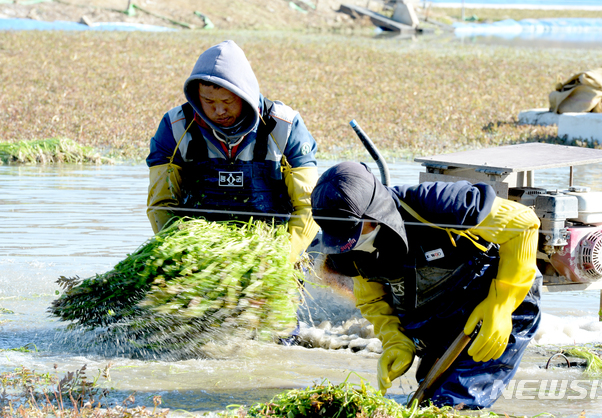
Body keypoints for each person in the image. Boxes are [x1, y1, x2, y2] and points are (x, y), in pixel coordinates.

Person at [310, 161, 541, 409]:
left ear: (372, 212)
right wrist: (393, 338)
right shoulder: (345, 248)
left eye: (352, 231)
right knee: (427, 401)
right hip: (438, 320)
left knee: (451, 406)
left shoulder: (439, 203)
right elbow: (371, 297)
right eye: (340, 237)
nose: (349, 244)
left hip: (495, 302)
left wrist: (501, 305)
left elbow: (523, 224)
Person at [146, 40, 319, 263]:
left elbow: (308, 207)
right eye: (208, 101)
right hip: (200, 253)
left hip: (270, 249)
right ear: (196, 95)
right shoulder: (175, 126)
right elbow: (161, 204)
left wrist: (281, 259)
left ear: (245, 94)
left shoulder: (285, 126)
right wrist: (180, 254)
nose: (219, 111)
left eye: (228, 101)